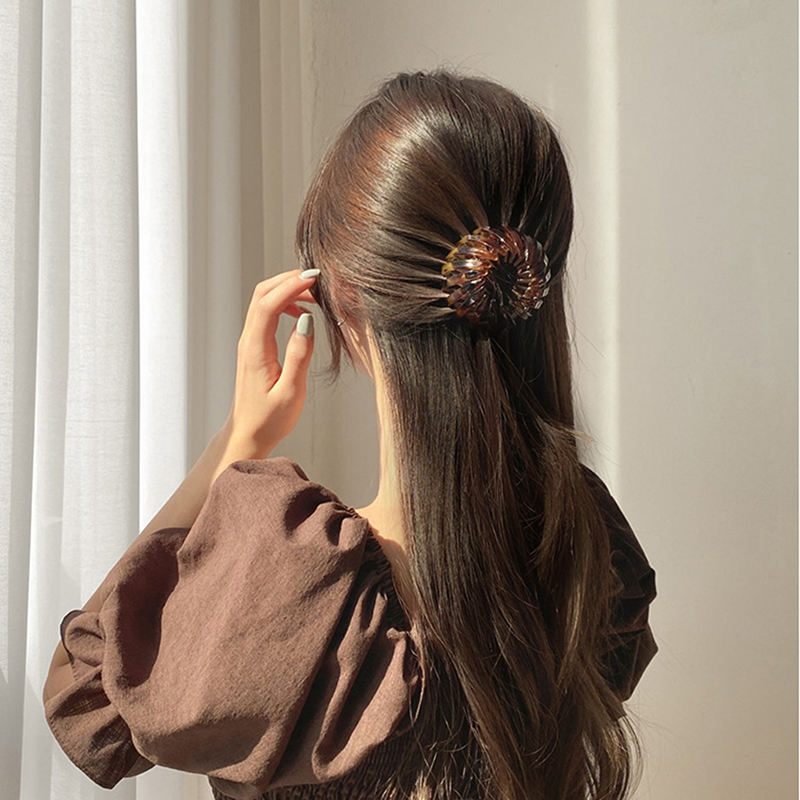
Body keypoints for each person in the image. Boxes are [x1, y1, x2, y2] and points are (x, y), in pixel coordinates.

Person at [43, 69, 658, 800]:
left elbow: (83, 701)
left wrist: (237, 439)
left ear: (347, 297)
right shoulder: (588, 554)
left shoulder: (285, 580)